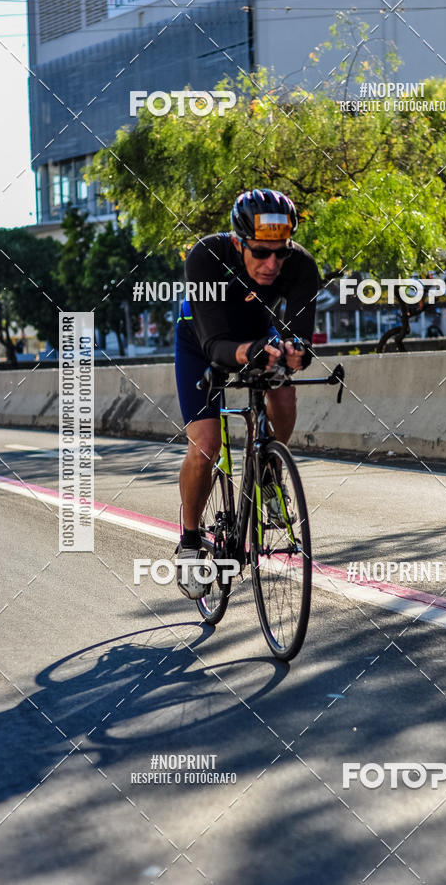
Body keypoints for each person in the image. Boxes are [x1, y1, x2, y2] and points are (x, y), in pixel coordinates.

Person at [174, 188, 320, 599]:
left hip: (259, 334)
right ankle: (188, 543)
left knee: (285, 395)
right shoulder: (206, 257)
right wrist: (247, 353)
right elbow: (214, 344)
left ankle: (270, 471)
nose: (272, 263)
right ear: (239, 243)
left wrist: (295, 354)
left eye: (281, 252)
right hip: (202, 339)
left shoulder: (301, 266)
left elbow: (302, 337)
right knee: (206, 444)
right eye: (260, 252)